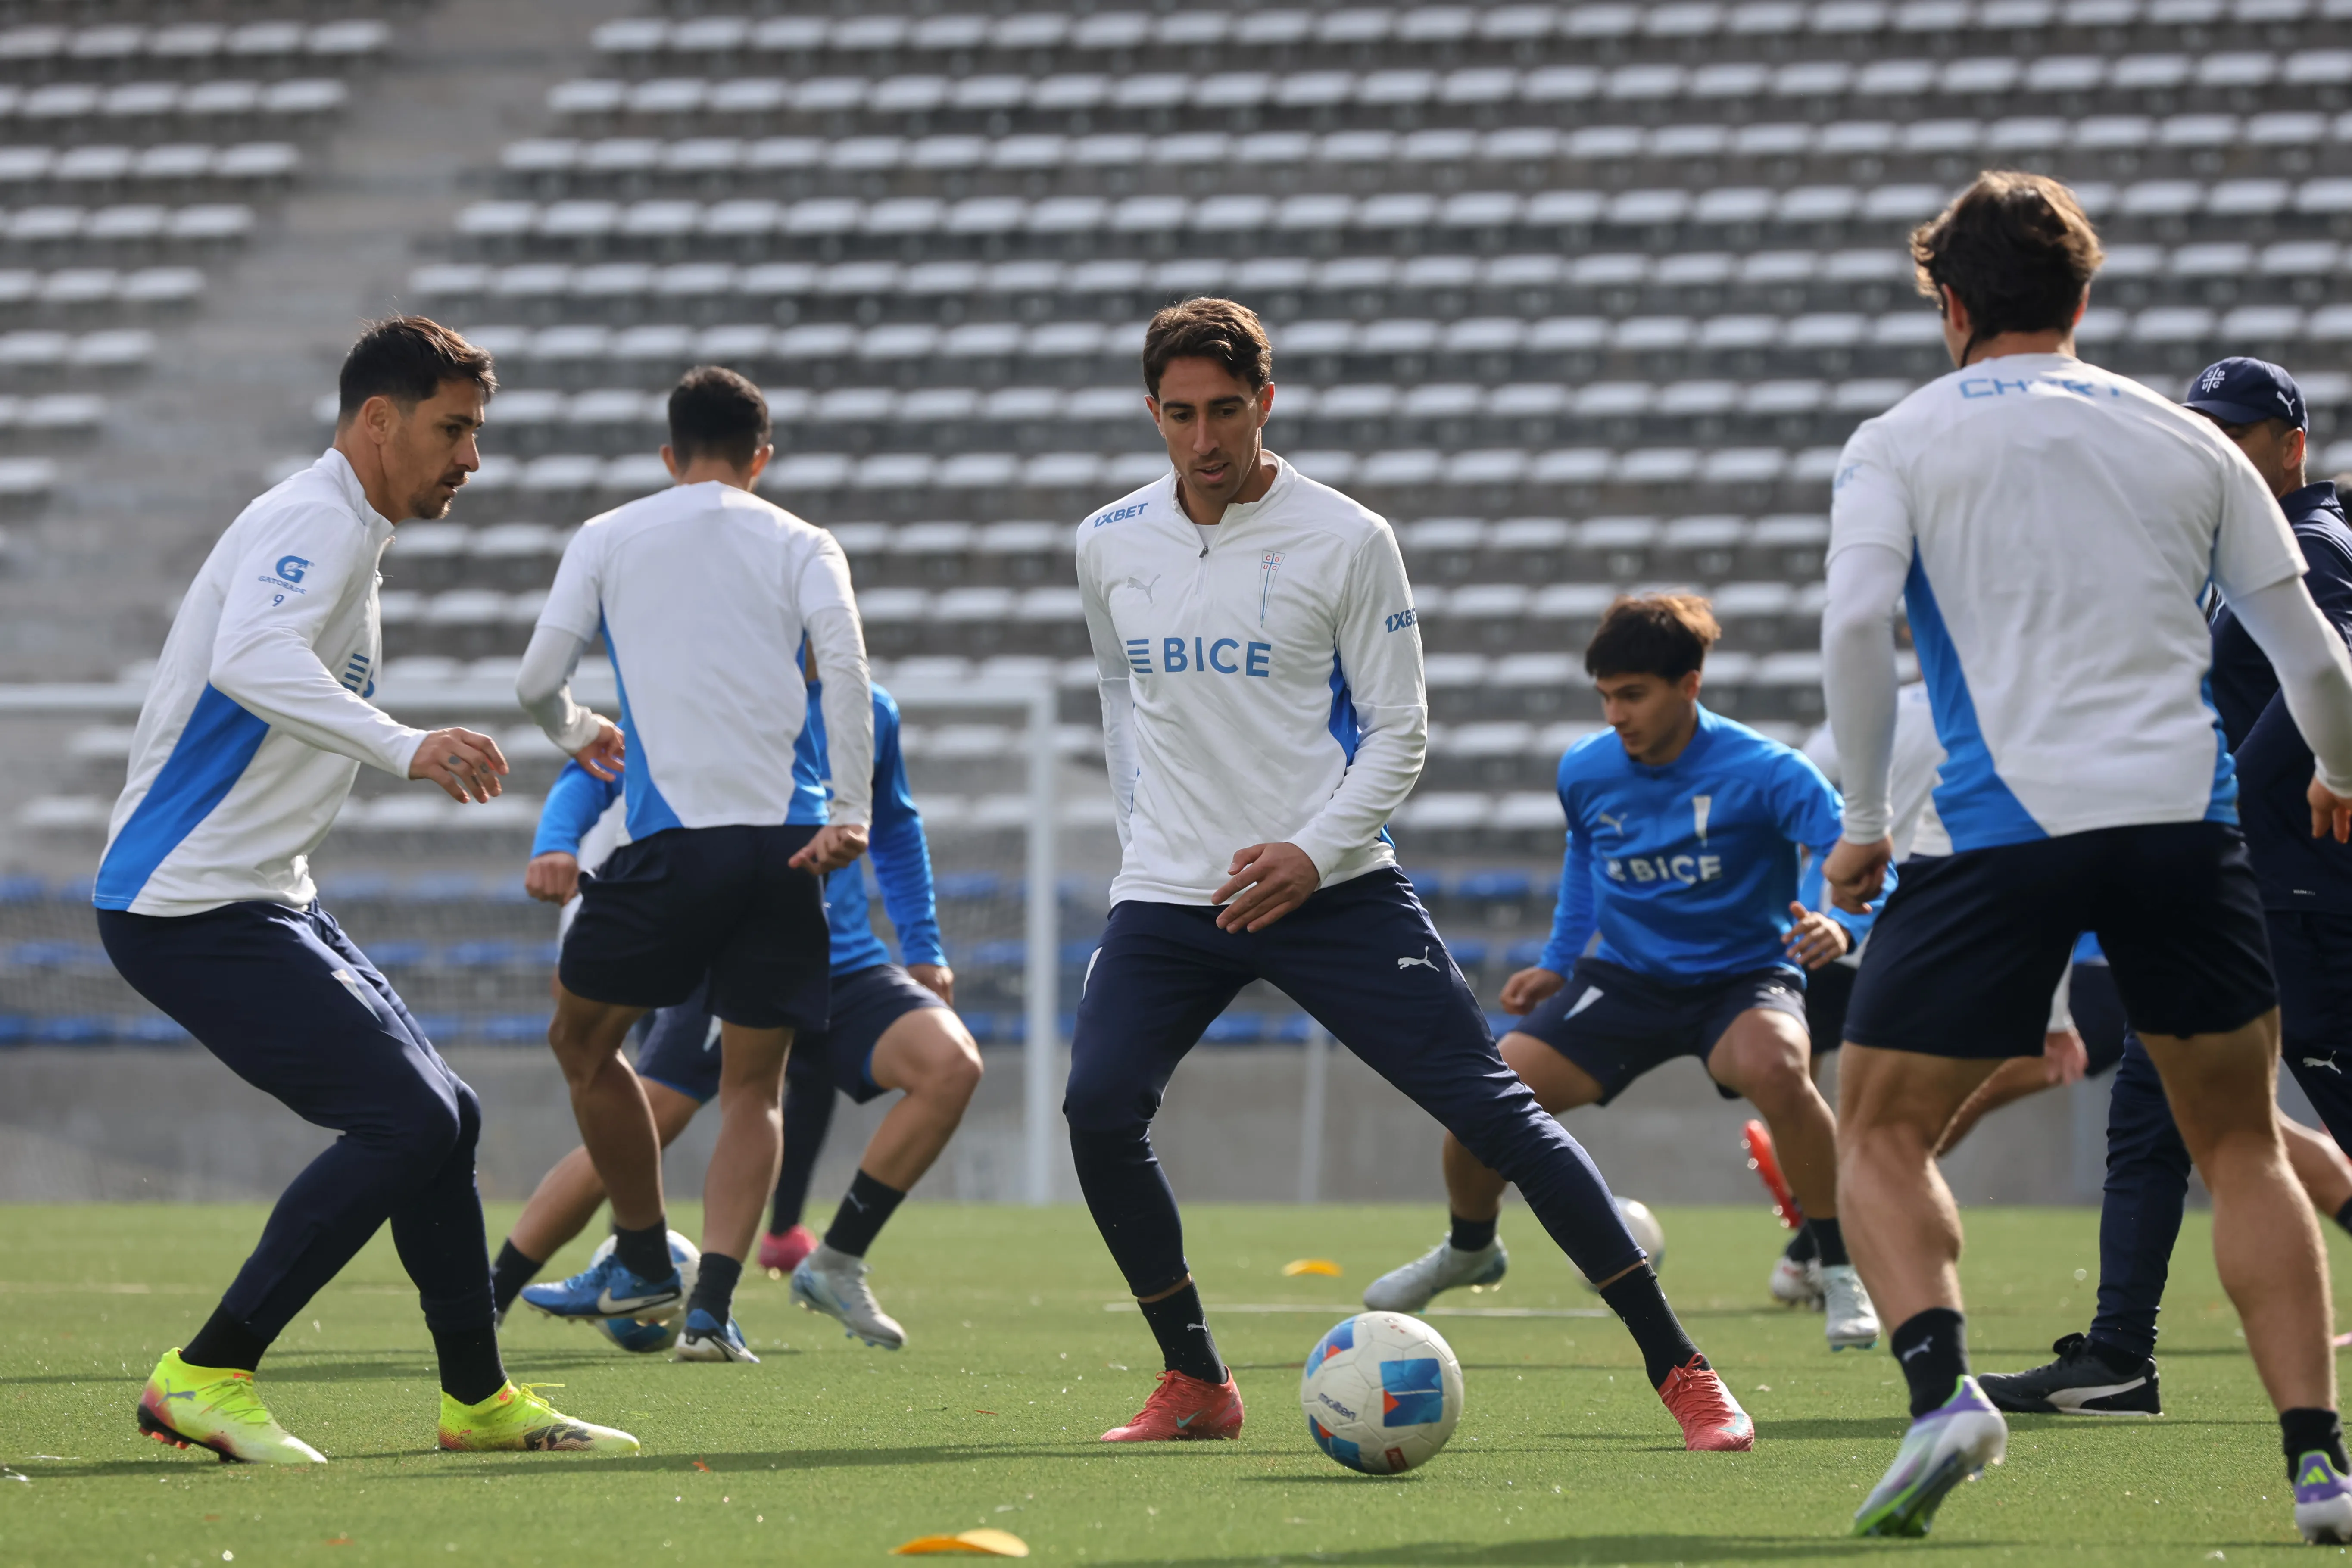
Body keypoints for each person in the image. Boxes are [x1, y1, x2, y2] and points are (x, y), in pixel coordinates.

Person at [1067, 297, 1754, 1451]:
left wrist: (1309, 849)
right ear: (1151, 413)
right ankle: (1196, 1378)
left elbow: (1401, 729)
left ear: (1264, 403)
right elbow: (1119, 697)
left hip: (1330, 886)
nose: (1204, 440)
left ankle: (1681, 1367)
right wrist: (1145, 830)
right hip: (1172, 891)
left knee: (1499, 1115)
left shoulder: (1346, 535)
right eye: (1179, 415)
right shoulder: (1107, 540)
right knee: (1097, 1109)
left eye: (1225, 411)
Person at [1819, 171, 2352, 1542]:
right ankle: (2315, 1464)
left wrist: (1867, 819)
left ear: (1948, 302)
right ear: (2083, 298)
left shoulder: (1900, 439)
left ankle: (1944, 1390)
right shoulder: (2191, 443)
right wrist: (2343, 772)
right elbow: (2316, 660)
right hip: (2188, 825)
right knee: (2242, 1141)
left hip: (2002, 828)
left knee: (1873, 1126)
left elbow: (1856, 628)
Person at [96, 318, 634, 1460]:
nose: (471, 458)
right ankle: (207, 1368)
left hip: (257, 891)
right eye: (453, 429)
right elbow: (250, 655)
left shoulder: (349, 528)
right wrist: (405, 744)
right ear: (378, 420)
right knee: (406, 1115)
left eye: (476, 431)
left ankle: (476, 1399)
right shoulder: (317, 519)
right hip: (187, 899)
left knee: (449, 1118)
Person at [1362, 592, 1887, 1355]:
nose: (1615, 714)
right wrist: (1557, 962)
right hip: (1627, 980)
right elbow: (1586, 860)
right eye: (1605, 695)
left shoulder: (1770, 771)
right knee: (1485, 1096)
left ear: (1690, 685)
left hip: (1743, 979)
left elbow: (1864, 858)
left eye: (1633, 694)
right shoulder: (1586, 768)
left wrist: (1841, 923)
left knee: (1779, 1067)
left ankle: (1838, 1267)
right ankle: (1471, 1246)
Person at [1985, 356, 2352, 1417]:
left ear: (2290, 446)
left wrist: (2228, 786)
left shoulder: (2305, 544)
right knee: (2148, 1108)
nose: (2215, 449)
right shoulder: (2237, 550)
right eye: (2200, 431)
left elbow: (2329, 668)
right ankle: (2116, 1357)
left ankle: (2116, 1354)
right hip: (2242, 889)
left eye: (2237, 434)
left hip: (2298, 891)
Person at [511, 365, 874, 1364]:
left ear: (668, 458)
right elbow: (846, 669)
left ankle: (637, 1249)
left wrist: (579, 727)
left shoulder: (610, 534)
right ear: (762, 458)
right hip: (787, 848)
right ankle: (710, 1313)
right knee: (754, 1087)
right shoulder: (804, 540)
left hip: (674, 846)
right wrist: (850, 812)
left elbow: (535, 679)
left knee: (584, 1045)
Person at [497, 667, 979, 1356]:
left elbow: (896, 823)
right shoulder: (721, 681)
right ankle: (495, 1288)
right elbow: (598, 770)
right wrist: (555, 841)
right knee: (651, 1117)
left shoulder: (868, 709)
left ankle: (825, 1265)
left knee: (951, 1065)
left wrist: (924, 946)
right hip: (735, 950)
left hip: (845, 961)